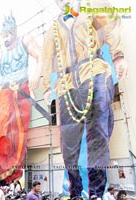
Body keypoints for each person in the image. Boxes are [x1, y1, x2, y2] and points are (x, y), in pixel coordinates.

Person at [42, 0, 128, 198]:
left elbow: (111, 22)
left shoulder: (92, 7)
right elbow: (47, 58)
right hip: (65, 85)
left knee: (97, 135)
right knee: (69, 144)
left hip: (95, 72)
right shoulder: (53, 28)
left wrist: (118, 55)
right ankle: (75, 192)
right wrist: (46, 86)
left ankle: (97, 193)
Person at [0, 13, 42, 183]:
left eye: (8, 34)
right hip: (4, 92)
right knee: (2, 130)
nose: (6, 38)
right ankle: (5, 168)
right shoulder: (0, 52)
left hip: (21, 89)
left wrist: (37, 74)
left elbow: (40, 56)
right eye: (3, 35)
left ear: (15, 31)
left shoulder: (25, 40)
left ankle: (15, 169)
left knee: (19, 131)